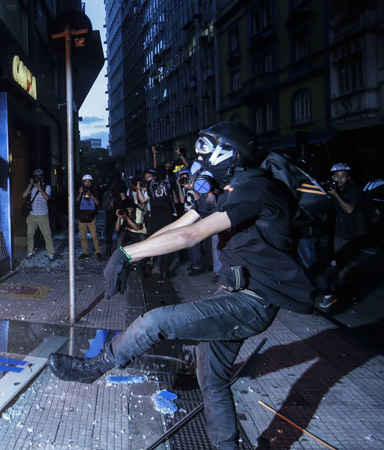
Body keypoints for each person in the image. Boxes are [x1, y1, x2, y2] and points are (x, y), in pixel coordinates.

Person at [48, 122, 314, 450]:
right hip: (232, 293)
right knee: (212, 380)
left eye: (206, 155)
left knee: (156, 321)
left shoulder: (255, 190)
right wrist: (133, 253)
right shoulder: (231, 187)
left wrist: (126, 254)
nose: (200, 164)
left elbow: (192, 236)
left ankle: (96, 367)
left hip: (252, 301)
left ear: (230, 155)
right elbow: (181, 224)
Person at [319, 163, 366, 308]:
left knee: (348, 265)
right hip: (338, 232)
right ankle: (344, 292)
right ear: (332, 177)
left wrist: (336, 195)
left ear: (348, 177)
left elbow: (349, 209)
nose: (340, 179)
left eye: (343, 176)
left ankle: (347, 295)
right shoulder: (334, 189)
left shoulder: (353, 190)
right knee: (339, 263)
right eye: (336, 176)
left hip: (350, 233)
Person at [23, 168, 55, 260]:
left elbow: (47, 198)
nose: (38, 178)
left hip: (42, 214)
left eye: (40, 176)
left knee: (47, 234)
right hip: (32, 214)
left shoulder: (47, 187)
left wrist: (40, 188)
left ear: (43, 177)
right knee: (30, 234)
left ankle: (51, 253)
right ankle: (30, 251)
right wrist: (30, 185)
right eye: (36, 176)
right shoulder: (32, 187)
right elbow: (24, 195)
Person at [77, 174, 103, 261]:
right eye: (85, 181)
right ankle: (85, 253)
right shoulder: (80, 190)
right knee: (83, 236)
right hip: (82, 217)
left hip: (91, 217)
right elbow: (76, 201)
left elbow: (98, 203)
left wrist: (91, 195)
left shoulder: (95, 190)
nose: (87, 183)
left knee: (94, 236)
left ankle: (98, 252)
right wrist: (80, 193)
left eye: (89, 181)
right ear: (83, 182)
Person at [102, 171, 128, 255]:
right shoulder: (121, 184)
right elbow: (123, 197)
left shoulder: (109, 183)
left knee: (109, 229)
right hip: (118, 209)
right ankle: (119, 249)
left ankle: (108, 249)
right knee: (120, 229)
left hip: (109, 209)